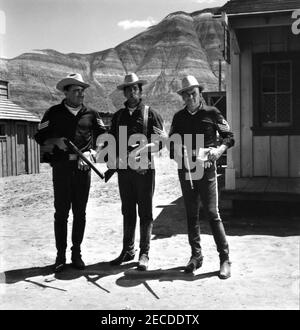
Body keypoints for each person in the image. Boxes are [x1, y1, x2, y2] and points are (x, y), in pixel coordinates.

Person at [34, 73, 106, 272]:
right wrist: (55, 141)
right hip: (61, 168)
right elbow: (40, 137)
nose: (81, 94)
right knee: (61, 214)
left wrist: (93, 152)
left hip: (84, 169)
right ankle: (60, 256)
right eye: (76, 90)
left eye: (82, 91)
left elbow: (103, 137)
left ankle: (76, 253)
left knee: (80, 213)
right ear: (66, 92)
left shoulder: (92, 113)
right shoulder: (53, 113)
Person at [168, 75, 234, 279]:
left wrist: (219, 150)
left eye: (193, 93)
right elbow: (171, 145)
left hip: (206, 171)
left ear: (200, 93)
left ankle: (224, 259)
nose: (190, 97)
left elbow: (229, 137)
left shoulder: (212, 113)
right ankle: (196, 256)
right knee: (191, 215)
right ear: (182, 97)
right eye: (186, 94)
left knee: (212, 214)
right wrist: (177, 151)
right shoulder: (178, 118)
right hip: (186, 171)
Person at [108, 73, 165, 271]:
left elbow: (161, 143)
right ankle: (127, 250)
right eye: (128, 89)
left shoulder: (151, 114)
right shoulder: (118, 117)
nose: (132, 92)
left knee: (146, 212)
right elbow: (110, 142)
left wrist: (144, 150)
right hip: (124, 172)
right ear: (123, 92)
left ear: (140, 91)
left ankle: (144, 253)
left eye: (135, 88)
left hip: (144, 171)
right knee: (127, 210)